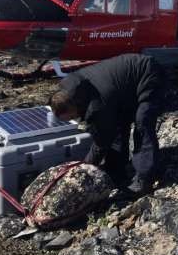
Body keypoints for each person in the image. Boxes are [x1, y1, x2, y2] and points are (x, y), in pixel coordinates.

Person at [49, 53, 165, 195]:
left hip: (147, 73)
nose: (77, 119)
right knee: (118, 124)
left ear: (74, 106)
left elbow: (102, 140)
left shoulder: (97, 104)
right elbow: (112, 131)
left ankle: (145, 178)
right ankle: (116, 170)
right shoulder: (72, 89)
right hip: (124, 87)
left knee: (143, 122)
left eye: (73, 116)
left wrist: (86, 166)